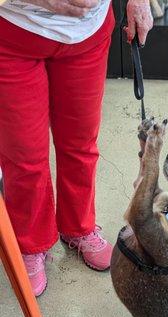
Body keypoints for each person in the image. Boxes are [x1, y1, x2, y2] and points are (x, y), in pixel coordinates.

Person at [0, 0, 153, 296]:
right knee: (24, 155)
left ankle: (78, 226)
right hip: (13, 34)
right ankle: (31, 243)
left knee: (81, 144)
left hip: (88, 33)